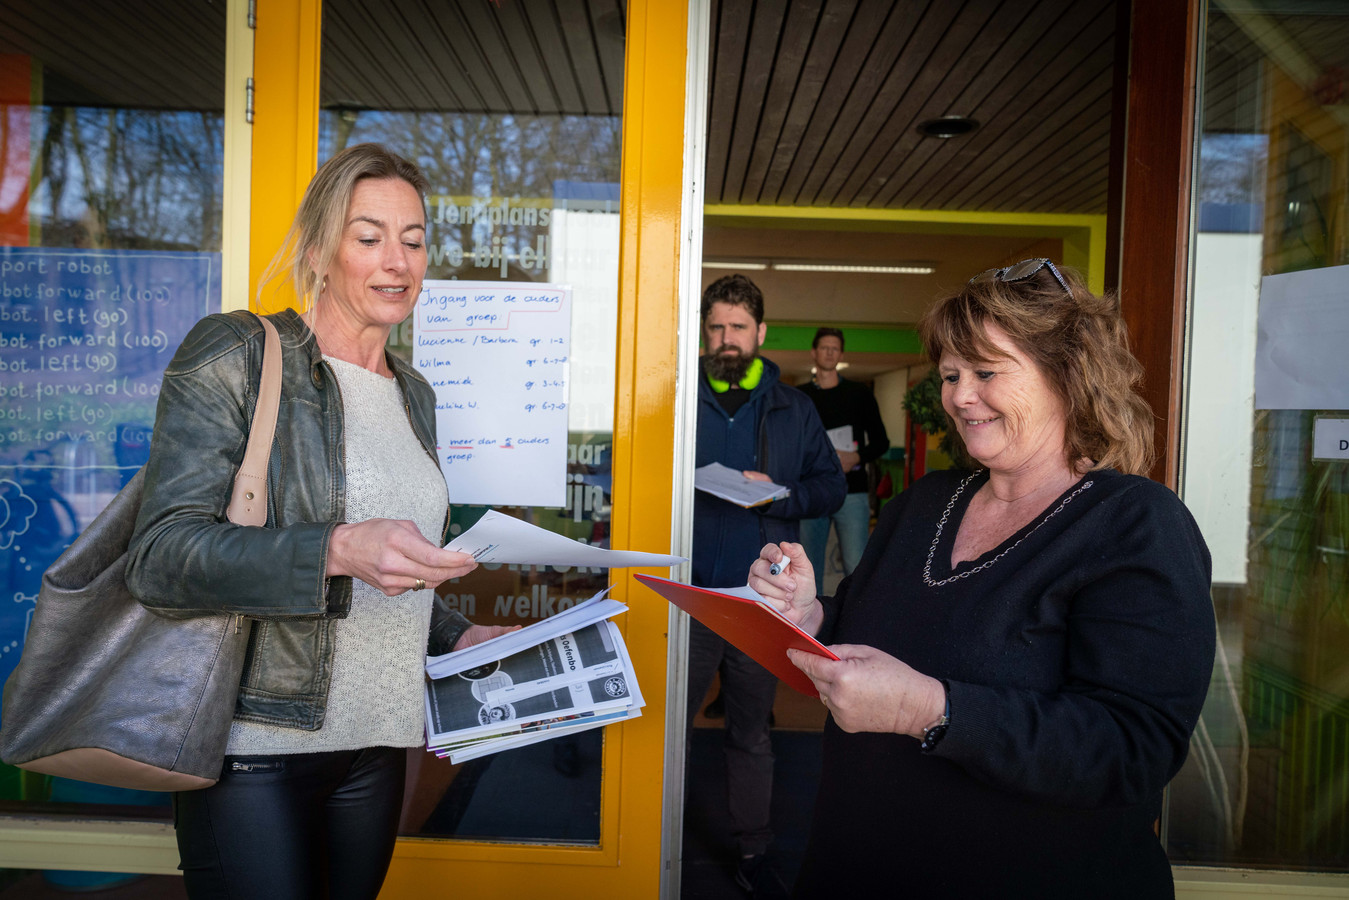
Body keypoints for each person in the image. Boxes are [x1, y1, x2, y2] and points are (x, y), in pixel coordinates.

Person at [747, 258, 1216, 898]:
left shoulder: (1134, 524)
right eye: (950, 375)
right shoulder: (925, 502)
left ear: (1067, 376)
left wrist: (929, 710)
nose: (961, 395)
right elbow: (867, 622)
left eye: (986, 372)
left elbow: (1131, 747)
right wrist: (810, 614)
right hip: (855, 866)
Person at [125, 143, 514, 899]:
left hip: (378, 741)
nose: (396, 260)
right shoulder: (239, 352)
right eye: (368, 237)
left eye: (413, 238)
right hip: (255, 746)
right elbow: (161, 557)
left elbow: (393, 565)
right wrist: (335, 548)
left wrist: (458, 636)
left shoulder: (414, 393)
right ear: (318, 252)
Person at [689, 273, 845, 896]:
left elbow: (830, 487)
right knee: (665, 731)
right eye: (715, 329)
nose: (725, 340)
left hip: (761, 601)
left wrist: (779, 492)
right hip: (691, 595)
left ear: (760, 332)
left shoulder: (793, 409)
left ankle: (753, 852)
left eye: (736, 329)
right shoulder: (680, 395)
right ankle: (652, 840)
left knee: (751, 733)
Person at [796, 327, 889, 594]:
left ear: (841, 354)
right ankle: (811, 626)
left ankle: (854, 623)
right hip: (813, 491)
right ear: (814, 352)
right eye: (824, 347)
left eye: (834, 348)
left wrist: (857, 456)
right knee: (808, 567)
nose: (829, 352)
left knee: (855, 565)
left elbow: (881, 442)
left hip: (852, 490)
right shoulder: (801, 398)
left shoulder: (859, 394)